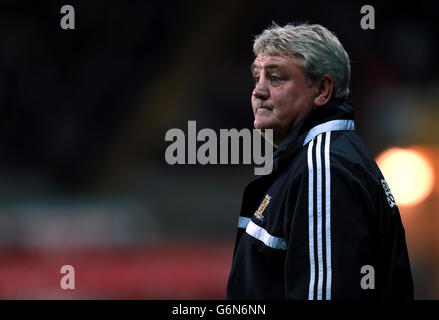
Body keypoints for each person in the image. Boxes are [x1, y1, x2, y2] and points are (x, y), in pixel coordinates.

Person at [226, 22, 414, 300]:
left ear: (323, 90)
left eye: (276, 77)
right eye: (257, 77)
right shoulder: (318, 158)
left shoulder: (323, 167)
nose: (259, 91)